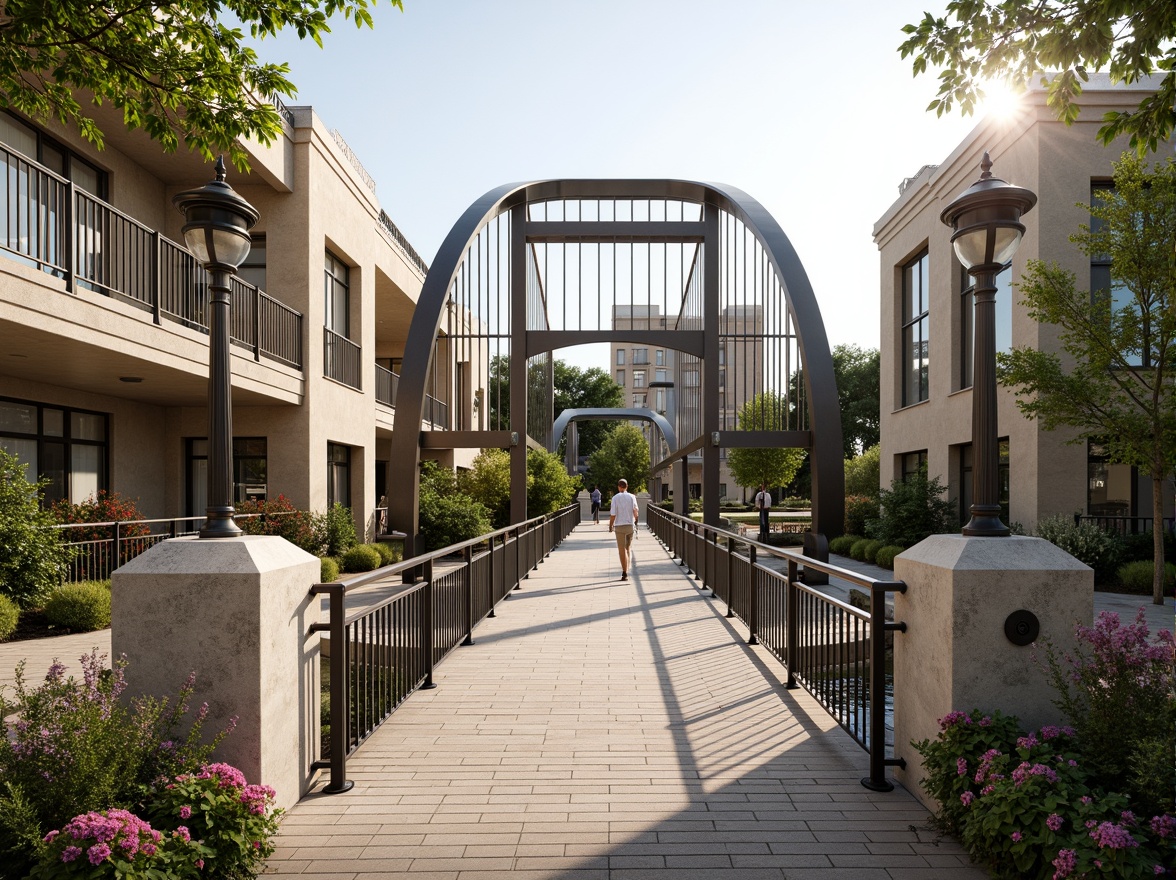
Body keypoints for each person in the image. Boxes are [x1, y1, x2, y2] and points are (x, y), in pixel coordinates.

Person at [608, 478, 640, 580]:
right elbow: (635, 512)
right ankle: (627, 568)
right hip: (630, 525)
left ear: (618, 487)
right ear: (627, 487)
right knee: (628, 548)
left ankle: (624, 572)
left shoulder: (615, 498)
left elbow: (613, 514)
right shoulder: (632, 497)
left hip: (619, 527)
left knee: (621, 549)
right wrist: (635, 521)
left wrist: (610, 525)